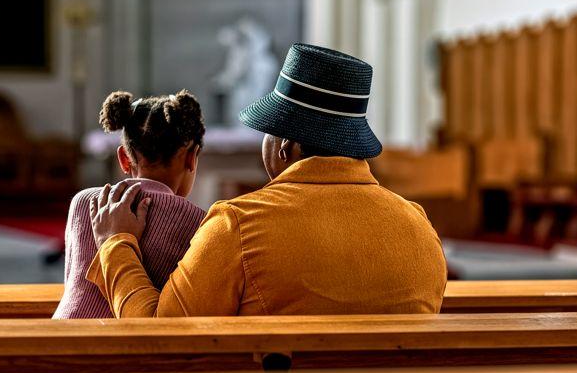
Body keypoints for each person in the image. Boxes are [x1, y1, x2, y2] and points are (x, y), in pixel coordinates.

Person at [87, 43, 447, 317]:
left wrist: (115, 243)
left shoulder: (238, 224)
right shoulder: (419, 226)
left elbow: (159, 335)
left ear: (286, 147)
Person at [52, 90, 206, 318]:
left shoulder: (83, 202)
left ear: (124, 158)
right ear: (191, 158)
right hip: (126, 346)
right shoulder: (197, 223)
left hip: (61, 337)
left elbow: (73, 285)